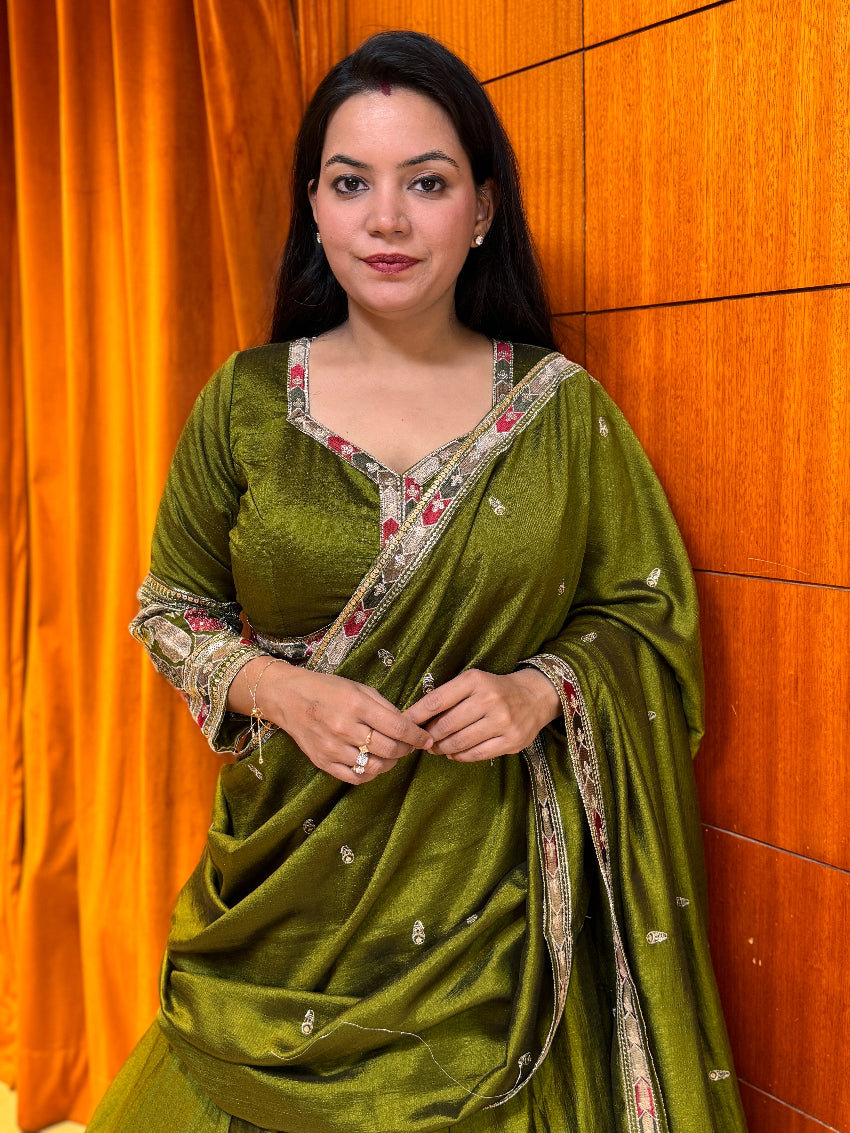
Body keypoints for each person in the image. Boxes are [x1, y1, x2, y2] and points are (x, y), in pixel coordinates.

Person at [87, 30, 748, 1133]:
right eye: (351, 184)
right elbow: (172, 608)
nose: (385, 221)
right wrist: (281, 690)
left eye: (426, 183)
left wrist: (543, 689)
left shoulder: (559, 411)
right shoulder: (245, 402)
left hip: (495, 922)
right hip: (287, 908)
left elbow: (645, 612)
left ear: (482, 209)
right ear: (313, 205)